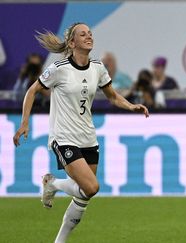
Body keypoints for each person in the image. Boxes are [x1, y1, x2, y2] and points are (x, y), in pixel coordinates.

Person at [12, 22, 149, 243]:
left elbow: (113, 96)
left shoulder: (98, 67)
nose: (89, 36)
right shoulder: (59, 69)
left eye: (90, 33)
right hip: (64, 136)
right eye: (83, 34)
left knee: (84, 195)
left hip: (88, 137)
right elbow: (32, 90)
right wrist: (24, 122)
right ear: (72, 42)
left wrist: (131, 105)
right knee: (92, 187)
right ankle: (54, 184)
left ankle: (59, 239)